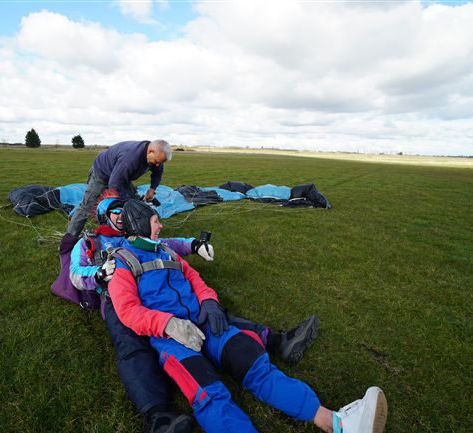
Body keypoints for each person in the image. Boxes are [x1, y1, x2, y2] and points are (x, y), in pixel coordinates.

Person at [107, 199, 388, 433]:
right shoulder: (123, 262)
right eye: (156, 221)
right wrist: (168, 324)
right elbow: (127, 311)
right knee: (210, 395)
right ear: (141, 224)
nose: (160, 226)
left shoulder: (167, 250)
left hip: (207, 323)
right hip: (172, 340)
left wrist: (210, 303)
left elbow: (194, 277)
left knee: (257, 366)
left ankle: (337, 423)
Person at [69, 194, 321, 433]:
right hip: (126, 304)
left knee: (223, 324)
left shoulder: (157, 245)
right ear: (105, 216)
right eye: (114, 211)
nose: (119, 215)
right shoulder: (93, 243)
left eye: (122, 210)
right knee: (132, 348)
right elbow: (78, 276)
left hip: (182, 309)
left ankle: (277, 343)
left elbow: (178, 254)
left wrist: (196, 248)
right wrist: (99, 275)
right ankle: (158, 414)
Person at [66, 139, 172, 237]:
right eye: (156, 161)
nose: (157, 165)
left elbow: (158, 173)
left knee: (135, 203)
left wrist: (152, 189)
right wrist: (128, 203)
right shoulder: (130, 157)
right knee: (86, 208)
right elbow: (114, 184)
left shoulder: (156, 156)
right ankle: (69, 239)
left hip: (120, 176)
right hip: (102, 174)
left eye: (160, 162)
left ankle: (132, 232)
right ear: (150, 152)